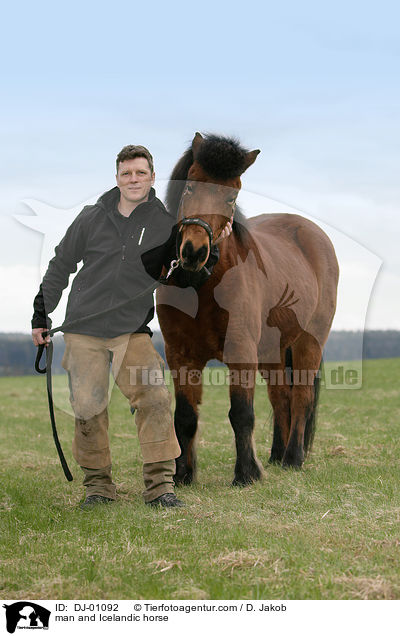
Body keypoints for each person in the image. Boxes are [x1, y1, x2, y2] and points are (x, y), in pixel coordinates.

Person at [31, 144, 185, 509]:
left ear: (151, 178)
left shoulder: (165, 223)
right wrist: (41, 315)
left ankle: (160, 487)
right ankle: (98, 489)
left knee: (156, 398)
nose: (134, 179)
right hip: (83, 329)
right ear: (117, 178)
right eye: (127, 173)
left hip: (132, 330)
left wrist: (217, 240)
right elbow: (60, 265)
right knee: (87, 407)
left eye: (141, 173)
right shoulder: (91, 217)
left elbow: (188, 269)